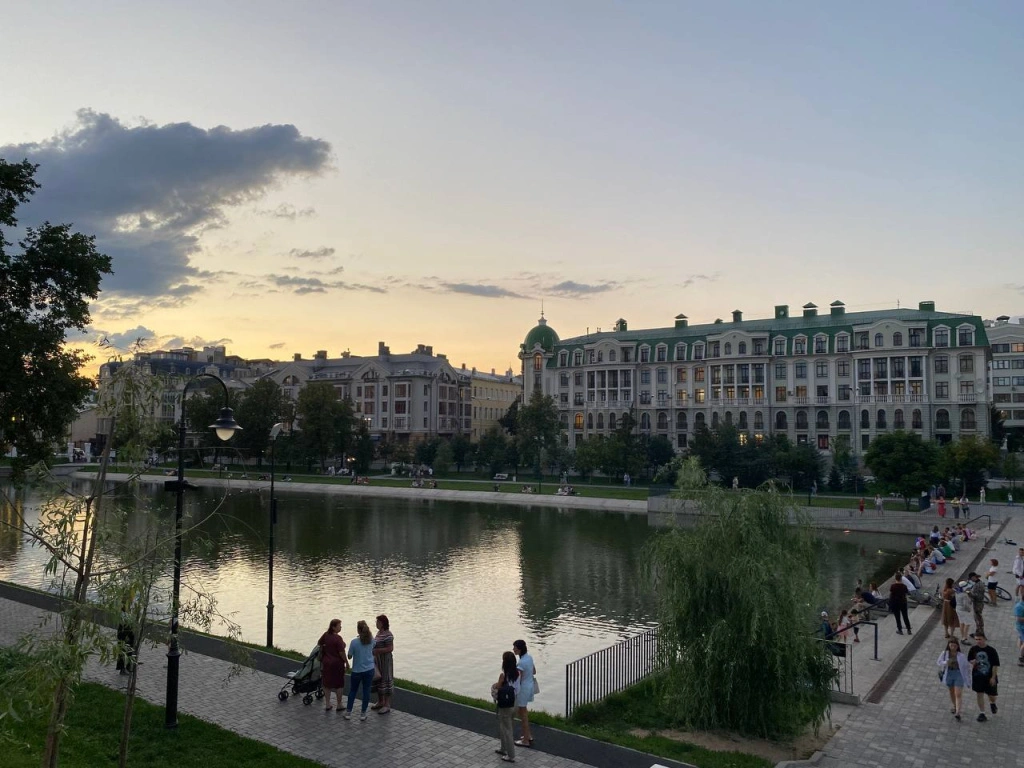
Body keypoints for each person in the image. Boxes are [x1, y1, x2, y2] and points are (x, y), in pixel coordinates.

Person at [491, 651, 520, 763]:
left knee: (507, 730)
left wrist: (497, 684)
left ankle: (510, 755)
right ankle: (503, 748)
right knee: (506, 726)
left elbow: (498, 687)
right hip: (515, 702)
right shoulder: (518, 673)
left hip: (505, 705)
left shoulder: (503, 675)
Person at [344, 620, 376, 721]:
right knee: (366, 691)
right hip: (369, 669)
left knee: (353, 691)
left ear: (358, 630)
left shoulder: (354, 642)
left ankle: (348, 712)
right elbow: (373, 650)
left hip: (357, 671)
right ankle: (363, 714)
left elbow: (349, 656)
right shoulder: (372, 640)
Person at [967, 632, 999, 721]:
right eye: (976, 639)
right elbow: (969, 659)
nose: (978, 641)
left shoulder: (991, 650)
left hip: (989, 676)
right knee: (979, 694)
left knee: (992, 695)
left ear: (984, 639)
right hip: (977, 676)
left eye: (980, 639)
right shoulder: (973, 649)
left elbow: (995, 665)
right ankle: (982, 713)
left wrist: (993, 677)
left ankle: (992, 703)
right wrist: (972, 662)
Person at [937, 637, 971, 721]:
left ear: (957, 646)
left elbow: (966, 667)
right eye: (951, 645)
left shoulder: (961, 656)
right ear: (948, 645)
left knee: (958, 693)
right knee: (951, 691)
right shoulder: (944, 653)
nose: (953, 647)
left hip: (958, 674)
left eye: (955, 646)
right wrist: (946, 662)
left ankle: (958, 713)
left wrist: (968, 679)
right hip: (949, 674)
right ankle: (955, 706)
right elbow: (939, 662)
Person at [318, 618, 348, 712]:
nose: (341, 627)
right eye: (339, 626)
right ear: (333, 627)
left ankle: (327, 704)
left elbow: (319, 643)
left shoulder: (326, 635)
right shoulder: (338, 638)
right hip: (337, 664)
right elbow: (341, 652)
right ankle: (339, 704)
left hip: (326, 662)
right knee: (339, 684)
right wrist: (347, 662)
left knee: (327, 683)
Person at [512, 639, 537, 748]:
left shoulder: (521, 663)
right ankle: (528, 735)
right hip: (530, 686)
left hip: (523, 690)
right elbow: (534, 671)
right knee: (523, 712)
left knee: (523, 714)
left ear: (519, 649)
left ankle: (525, 740)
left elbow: (518, 679)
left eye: (515, 648)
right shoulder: (529, 658)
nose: (513, 649)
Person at [370, 614, 394, 714]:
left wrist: (378, 651)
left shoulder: (388, 635)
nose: (376, 624)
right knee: (378, 679)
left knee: (386, 679)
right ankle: (380, 701)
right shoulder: (378, 633)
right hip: (378, 660)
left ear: (383, 623)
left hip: (385, 661)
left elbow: (390, 648)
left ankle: (387, 705)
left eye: (378, 622)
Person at [969, 572, 987, 637]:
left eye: (971, 578)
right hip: (978, 603)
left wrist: (969, 594)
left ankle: (981, 633)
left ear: (974, 577)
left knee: (978, 618)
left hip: (978, 603)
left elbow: (977, 596)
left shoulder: (978, 585)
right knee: (977, 618)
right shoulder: (979, 583)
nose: (971, 580)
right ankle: (978, 631)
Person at [1015, 596, 1024, 667]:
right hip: (1022, 627)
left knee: (1021, 639)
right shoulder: (1019, 606)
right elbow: (1018, 619)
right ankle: (1021, 658)